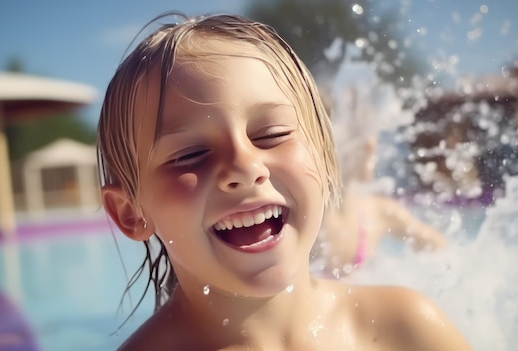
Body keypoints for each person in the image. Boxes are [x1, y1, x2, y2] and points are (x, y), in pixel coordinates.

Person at [98, 13, 472, 350]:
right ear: (131, 212)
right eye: (189, 155)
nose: (245, 166)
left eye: (272, 134)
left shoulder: (405, 327)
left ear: (325, 158)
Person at [312, 86, 448, 278]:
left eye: (370, 131)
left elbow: (442, 251)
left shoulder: (377, 212)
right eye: (358, 132)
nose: (371, 143)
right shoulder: (304, 220)